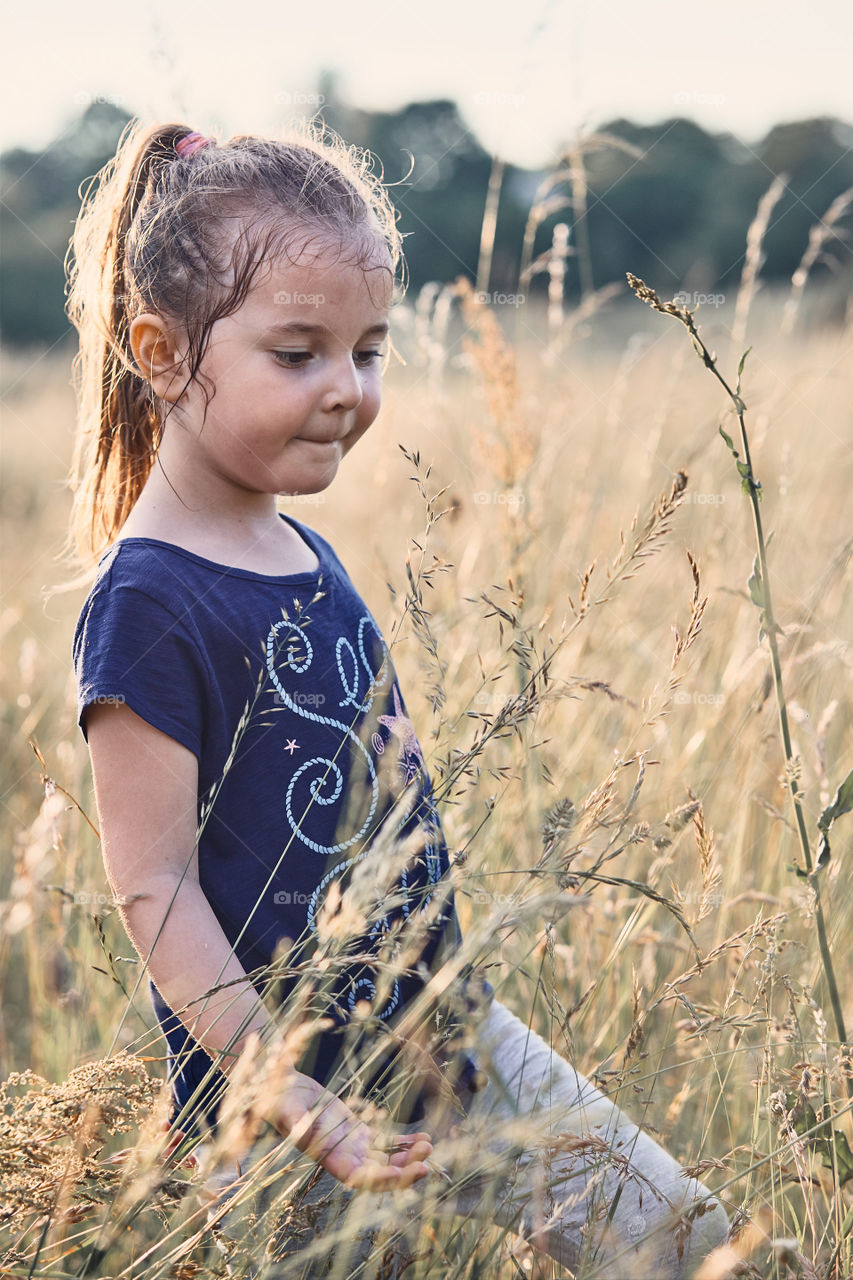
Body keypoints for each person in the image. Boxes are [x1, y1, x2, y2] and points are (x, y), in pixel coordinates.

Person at [66, 119, 729, 1277]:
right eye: (297, 352)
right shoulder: (149, 602)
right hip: (283, 1100)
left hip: (448, 1038)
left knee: (678, 1233)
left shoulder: (311, 558)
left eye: (368, 351)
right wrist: (290, 1091)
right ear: (162, 354)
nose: (346, 390)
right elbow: (153, 884)